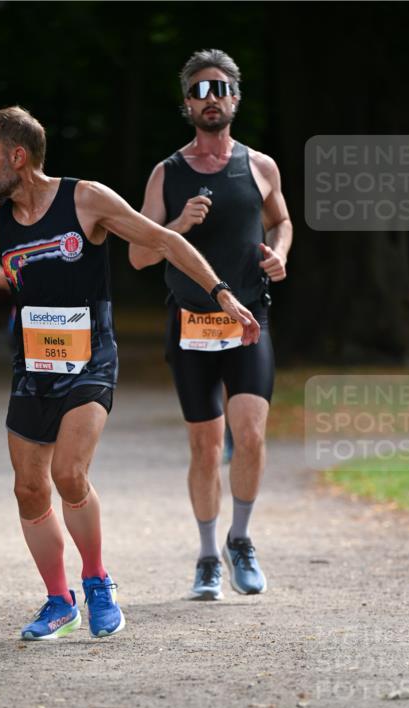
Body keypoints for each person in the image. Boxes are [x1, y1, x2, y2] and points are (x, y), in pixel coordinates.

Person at [0, 106, 259, 640]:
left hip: (91, 361)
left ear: (17, 156)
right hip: (33, 368)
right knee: (29, 489)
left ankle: (98, 581)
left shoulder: (86, 199)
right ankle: (60, 602)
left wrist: (222, 294)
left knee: (69, 474)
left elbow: (165, 241)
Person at [129, 49, 293, 601]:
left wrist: (280, 252)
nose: (211, 98)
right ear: (187, 104)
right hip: (191, 324)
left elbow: (281, 220)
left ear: (235, 98)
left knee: (250, 435)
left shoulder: (260, 166)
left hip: (249, 320)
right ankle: (206, 557)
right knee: (205, 447)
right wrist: (177, 225)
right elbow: (138, 256)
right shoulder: (167, 173)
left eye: (220, 88)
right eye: (199, 90)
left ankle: (239, 540)